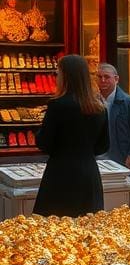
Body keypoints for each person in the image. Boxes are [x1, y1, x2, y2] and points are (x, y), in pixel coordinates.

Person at [33, 55, 109, 216]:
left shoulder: (57, 105)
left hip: (60, 173)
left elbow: (44, 143)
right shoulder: (99, 108)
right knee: (87, 227)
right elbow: (103, 145)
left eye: (58, 73)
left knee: (57, 229)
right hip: (89, 173)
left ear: (65, 76)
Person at [95, 62, 130, 207]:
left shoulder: (128, 102)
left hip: (124, 159)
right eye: (99, 77)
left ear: (116, 79)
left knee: (129, 202)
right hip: (100, 159)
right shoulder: (94, 102)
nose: (102, 81)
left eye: (107, 77)